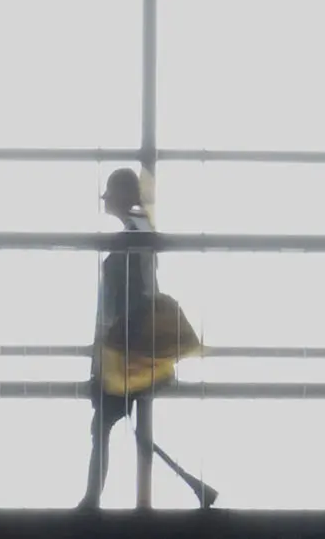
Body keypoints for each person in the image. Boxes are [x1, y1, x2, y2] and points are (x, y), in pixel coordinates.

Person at [79, 167, 218, 509]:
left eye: (111, 194)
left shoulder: (135, 235)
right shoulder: (136, 233)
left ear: (124, 196)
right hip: (129, 345)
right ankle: (187, 490)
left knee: (107, 424)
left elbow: (138, 293)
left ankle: (94, 501)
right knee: (125, 425)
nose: (107, 201)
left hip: (129, 347)